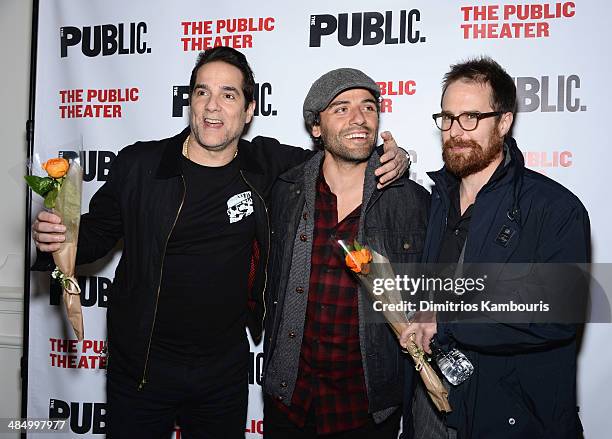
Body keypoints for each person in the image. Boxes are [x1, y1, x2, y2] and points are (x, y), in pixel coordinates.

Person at [31, 47, 409, 439]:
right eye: (201, 92)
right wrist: (54, 239)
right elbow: (92, 238)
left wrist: (396, 157)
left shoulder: (267, 165)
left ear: (248, 111)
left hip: (222, 376)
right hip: (141, 370)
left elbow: (343, 154)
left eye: (229, 94)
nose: (213, 106)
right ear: (190, 101)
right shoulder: (141, 165)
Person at [399, 57, 591, 439]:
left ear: (503, 122)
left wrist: (446, 320)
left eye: (472, 117)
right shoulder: (435, 201)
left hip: (509, 419)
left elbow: (556, 314)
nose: (456, 131)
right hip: (430, 412)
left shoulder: (554, 208)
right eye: (448, 118)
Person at [262, 68, 430, 439]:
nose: (359, 119)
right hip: (290, 401)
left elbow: (433, 292)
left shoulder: (411, 202)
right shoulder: (286, 192)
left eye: (368, 107)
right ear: (316, 127)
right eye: (341, 108)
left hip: (366, 410)